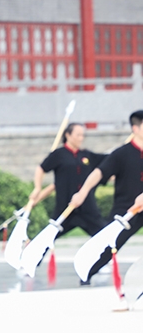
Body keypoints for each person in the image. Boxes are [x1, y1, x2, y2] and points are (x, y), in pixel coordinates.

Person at [70, 110, 143, 284]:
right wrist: (82, 192)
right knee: (109, 245)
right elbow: (98, 173)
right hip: (126, 209)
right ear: (135, 128)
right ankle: (86, 274)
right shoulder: (121, 154)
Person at [28, 122, 107, 237]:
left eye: (83, 135)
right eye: (78, 135)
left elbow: (108, 162)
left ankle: (107, 255)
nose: (81, 138)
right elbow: (41, 169)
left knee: (104, 237)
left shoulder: (87, 155)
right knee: (47, 237)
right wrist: (37, 188)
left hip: (87, 207)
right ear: (68, 135)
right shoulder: (58, 155)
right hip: (65, 207)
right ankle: (31, 253)